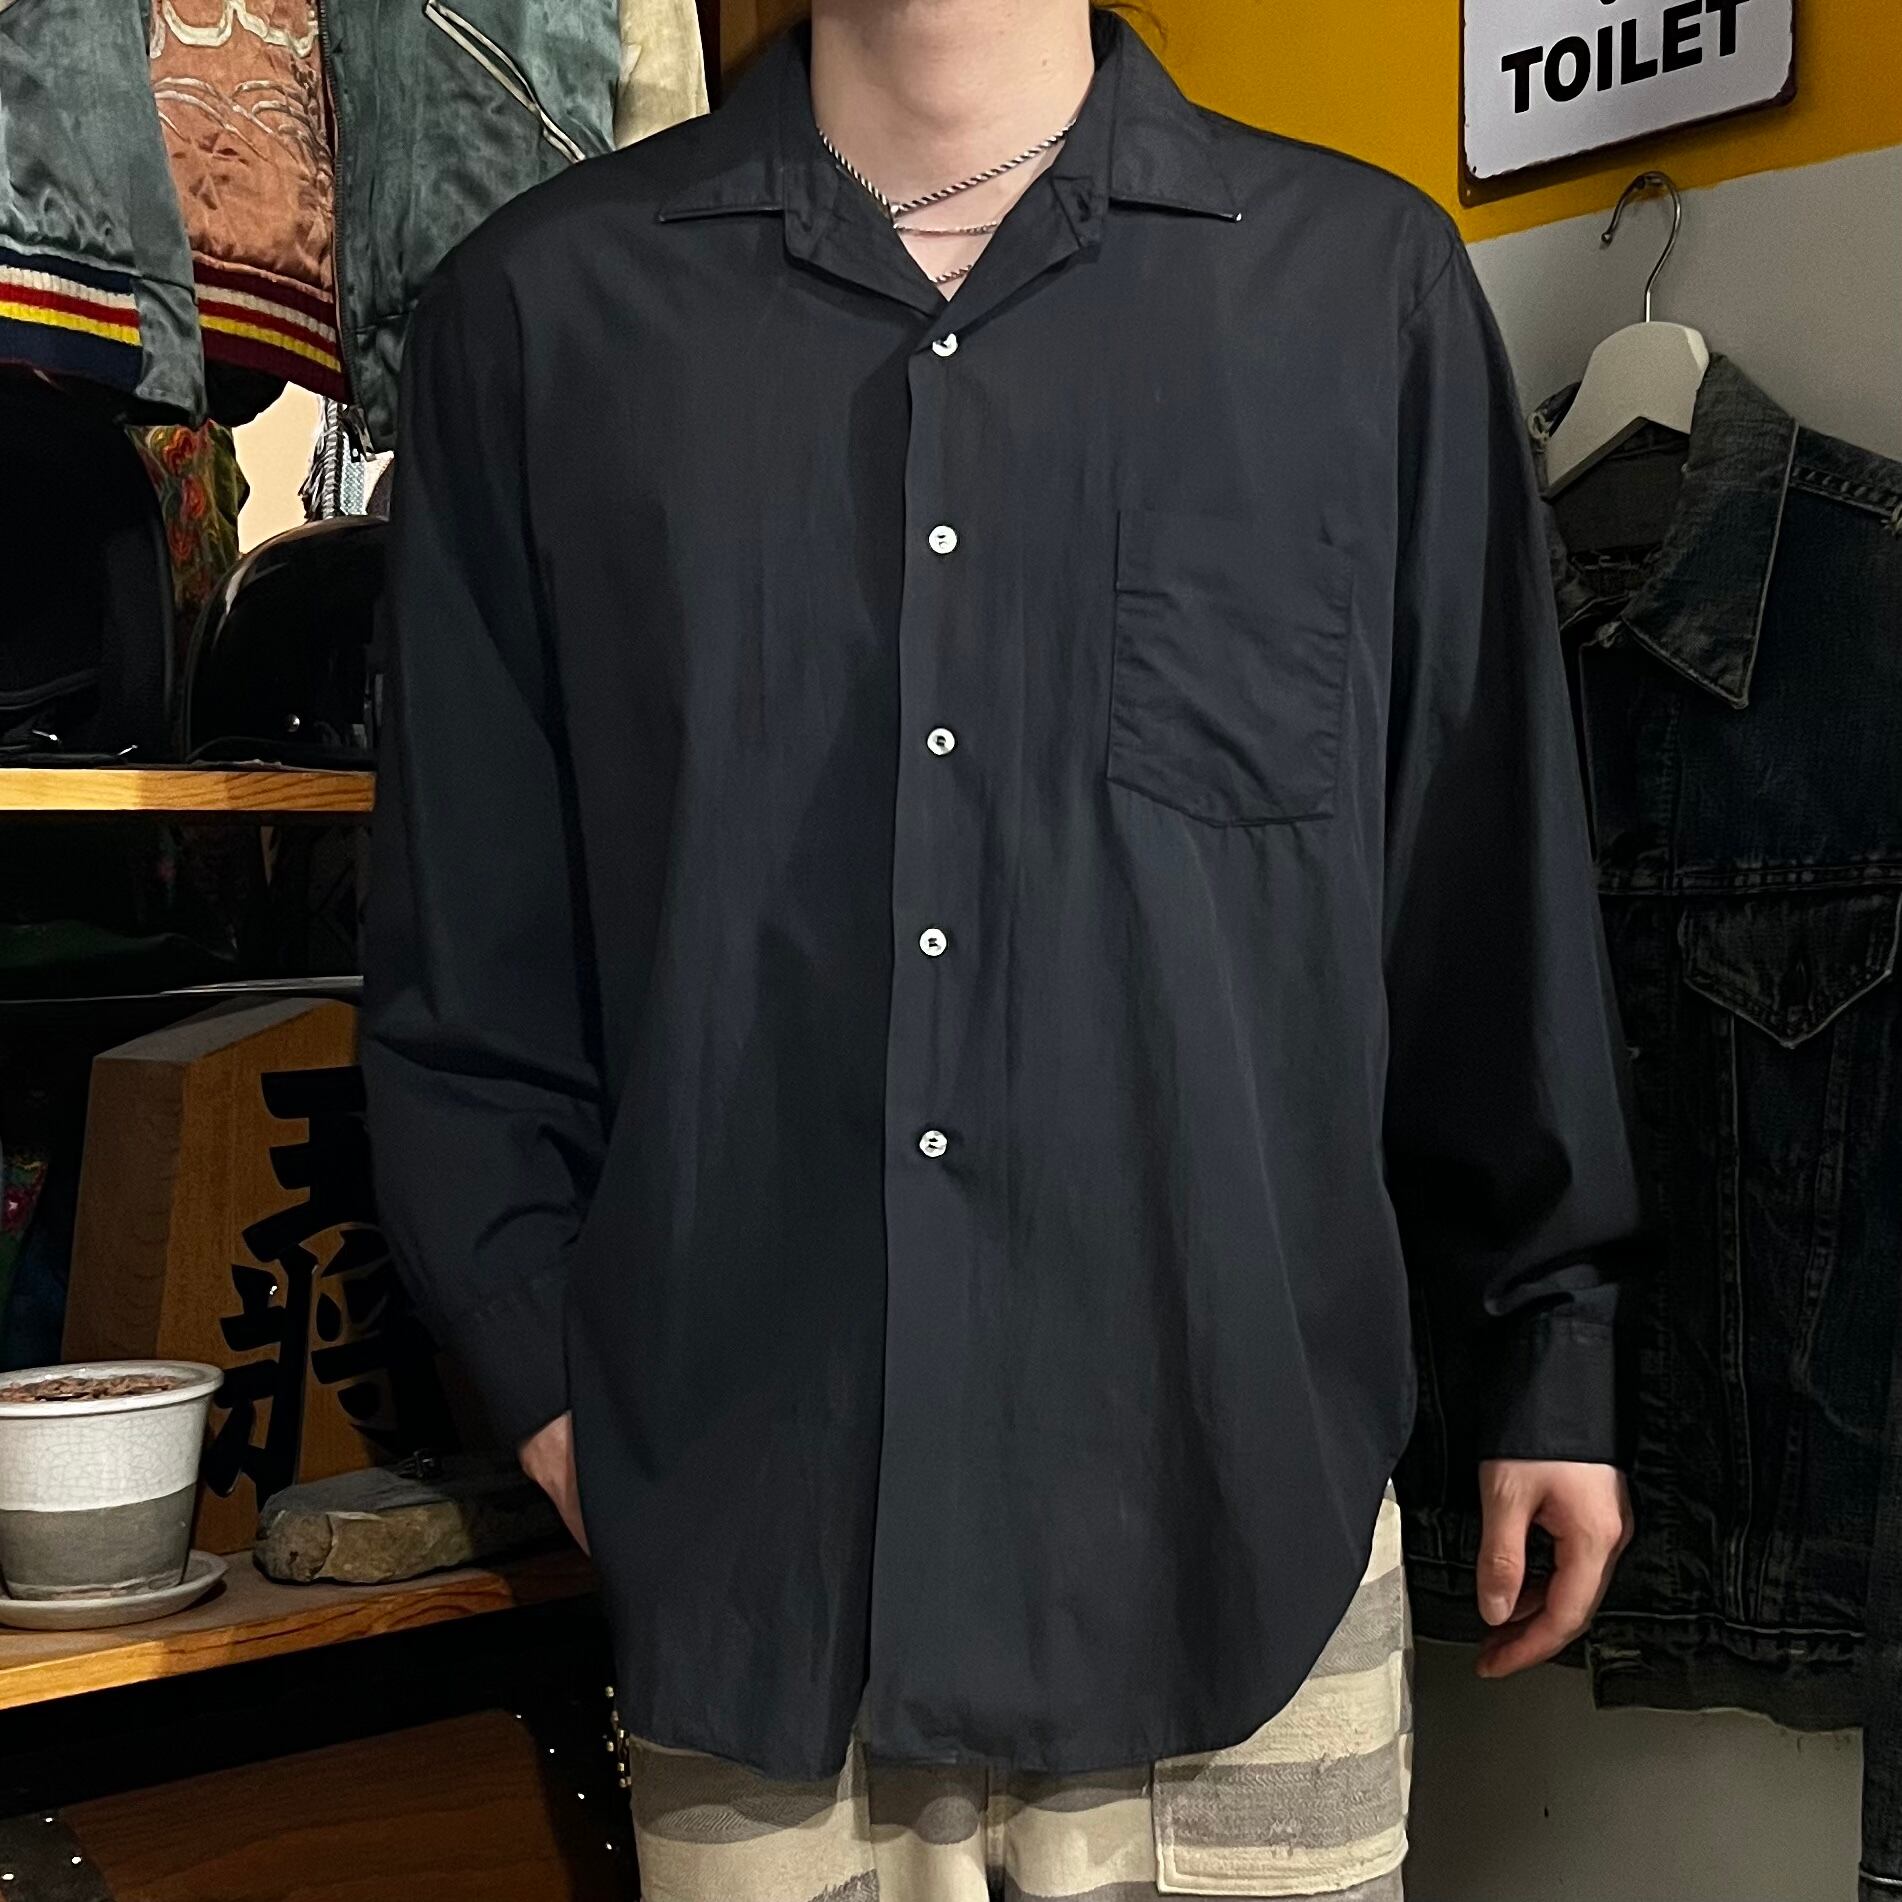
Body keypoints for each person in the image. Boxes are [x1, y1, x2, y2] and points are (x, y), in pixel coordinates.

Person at [361, 0, 1643, 1894]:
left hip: (1237, 1539)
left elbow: (1480, 878)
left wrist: (1552, 1342)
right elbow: (467, 945)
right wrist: (548, 1375)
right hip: (751, 1570)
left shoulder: (1352, 293)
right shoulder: (539, 317)